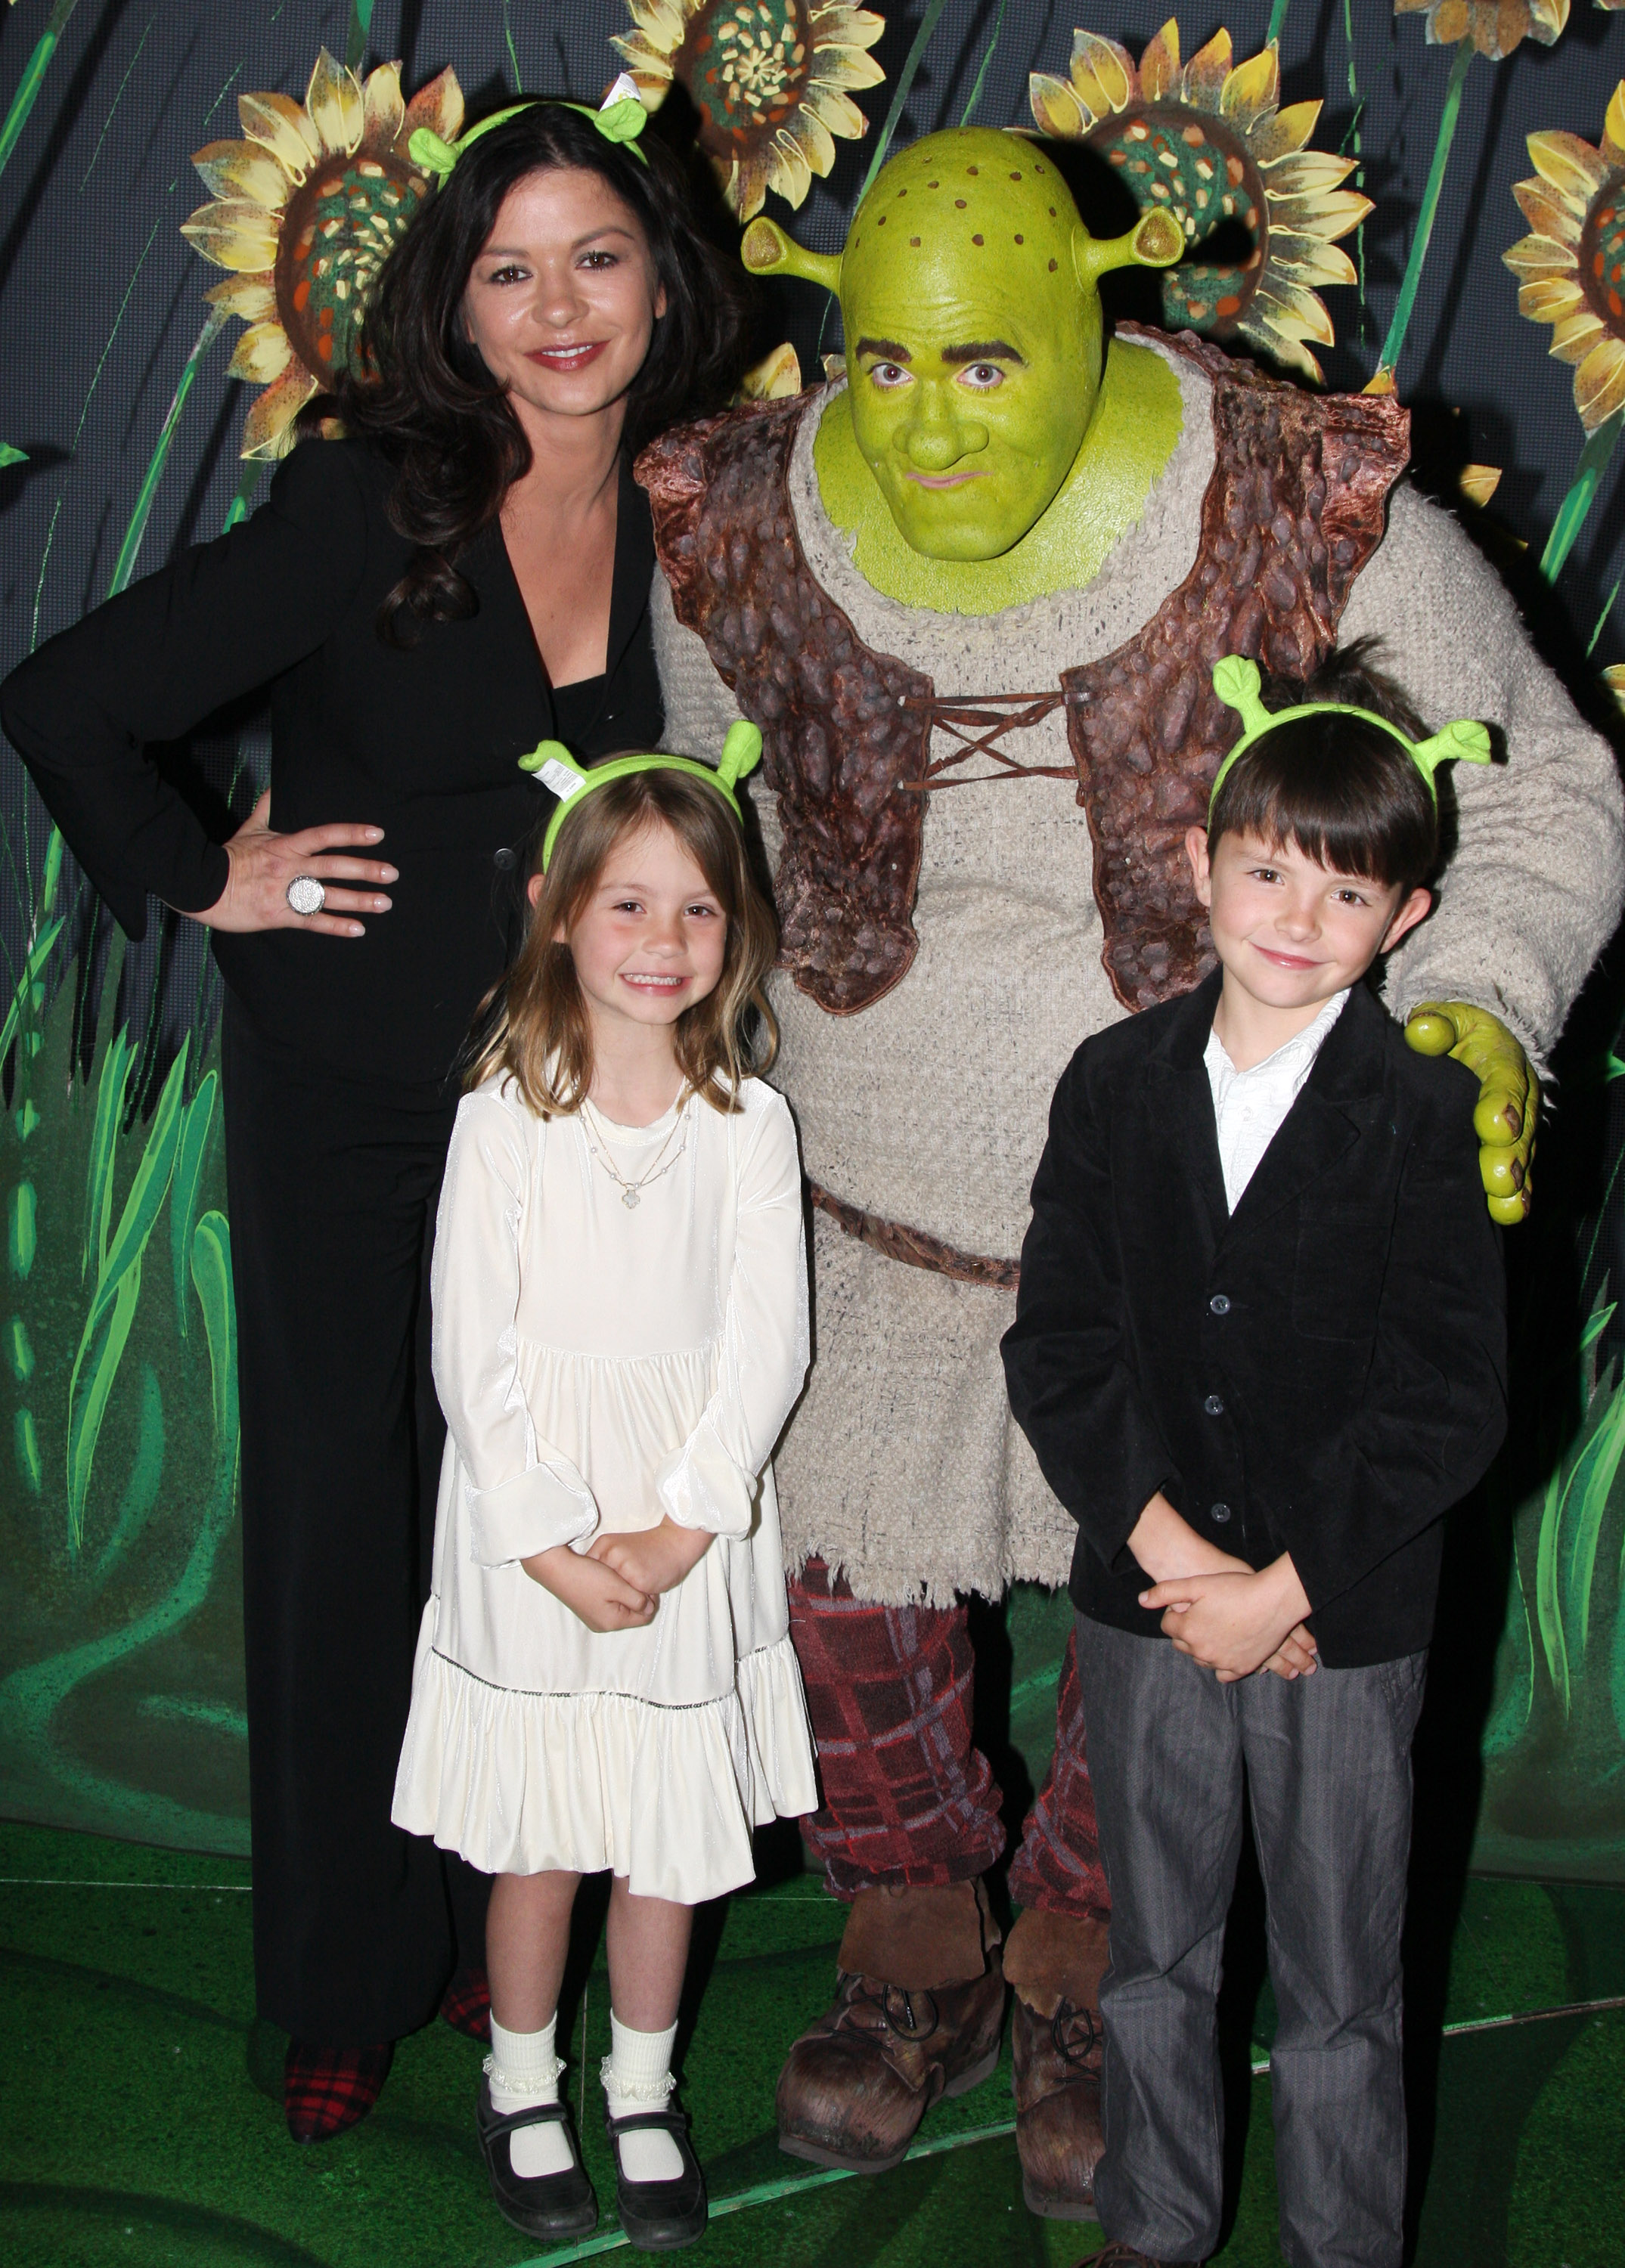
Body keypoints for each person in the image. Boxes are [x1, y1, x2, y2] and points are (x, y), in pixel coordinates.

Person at [641, 122, 1620, 2205]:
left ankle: (1094, 1948)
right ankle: (907, 1927)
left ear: (1097, 311)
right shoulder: (728, 522)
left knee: (1159, 1589)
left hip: (1202, 1229)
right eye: (879, 366)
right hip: (851, 1221)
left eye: (982, 366)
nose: (915, 424)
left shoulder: (1294, 507)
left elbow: (1542, 793)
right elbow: (705, 822)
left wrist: (1479, 1015)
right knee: (845, 1593)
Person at [0, 90, 749, 2139]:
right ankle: (342, 1978)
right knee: (354, 1528)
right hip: (352, 1097)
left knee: (527, 1532)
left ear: (661, 276)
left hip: (578, 1121)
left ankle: (483, 1936)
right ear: (456, 306)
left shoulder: (709, 499)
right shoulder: (372, 502)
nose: (557, 305)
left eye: (595, 255)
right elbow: (68, 698)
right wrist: (203, 869)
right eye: (507, 270)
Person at [1000, 646, 1509, 2268]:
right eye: (1267, 868)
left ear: (1404, 920)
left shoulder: (1417, 1114)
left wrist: (1281, 1589)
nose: (1297, 916)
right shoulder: (1112, 1080)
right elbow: (1059, 1350)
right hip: (1146, 1607)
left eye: (1347, 894)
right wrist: (1184, 1570)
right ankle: (1155, 2230)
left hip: (1343, 1631)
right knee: (1154, 1955)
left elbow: (1447, 1400)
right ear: (1199, 864)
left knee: (1344, 1983)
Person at [391, 723, 816, 2251]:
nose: (660, 938)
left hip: (688, 1529)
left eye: (695, 907)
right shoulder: (501, 1123)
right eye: (627, 903)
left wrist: (687, 1522)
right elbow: (471, 1356)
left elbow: (766, 1346)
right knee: (543, 1839)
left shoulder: (749, 1130)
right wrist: (559, 1546)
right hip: (535, 1538)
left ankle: (640, 2089)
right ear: (559, 912)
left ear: (734, 931)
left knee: (662, 1841)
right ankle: (523, 2083)